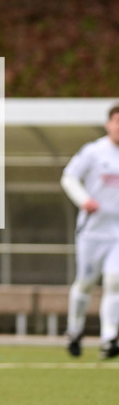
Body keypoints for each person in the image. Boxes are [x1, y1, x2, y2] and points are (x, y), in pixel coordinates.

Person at [61, 103, 119, 359]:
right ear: (109, 124)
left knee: (114, 281)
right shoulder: (94, 151)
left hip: (117, 232)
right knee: (85, 284)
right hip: (92, 233)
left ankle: (109, 337)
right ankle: (75, 329)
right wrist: (84, 200)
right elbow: (69, 177)